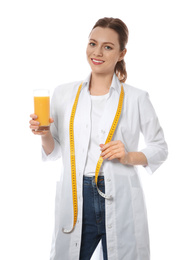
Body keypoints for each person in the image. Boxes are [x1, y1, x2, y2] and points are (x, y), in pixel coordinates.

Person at [29, 17, 168, 260]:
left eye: (108, 47)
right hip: (77, 195)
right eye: (93, 43)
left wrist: (128, 156)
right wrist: (45, 135)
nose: (97, 52)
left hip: (118, 193)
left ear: (122, 53)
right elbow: (55, 152)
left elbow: (160, 147)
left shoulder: (137, 98)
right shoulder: (64, 94)